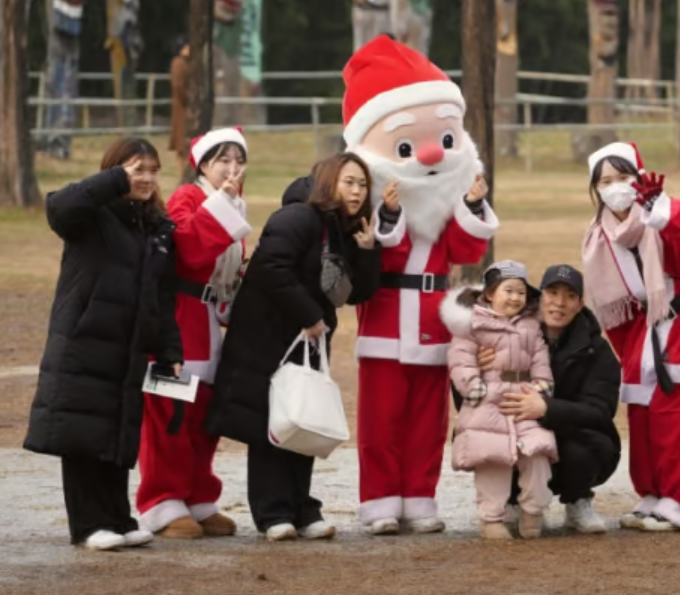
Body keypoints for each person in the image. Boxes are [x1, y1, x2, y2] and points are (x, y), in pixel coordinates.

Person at [337, 35, 499, 534]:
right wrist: (387, 210)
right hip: (385, 309)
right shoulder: (365, 191)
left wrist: (470, 205)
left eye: (445, 140)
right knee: (381, 417)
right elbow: (375, 246)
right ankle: (380, 500)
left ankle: (419, 497)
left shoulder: (450, 193)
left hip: (434, 314)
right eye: (407, 144)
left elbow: (467, 250)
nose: (430, 151)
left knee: (428, 419)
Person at [206, 153, 382, 541]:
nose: (357, 190)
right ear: (327, 182)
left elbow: (358, 294)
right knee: (272, 423)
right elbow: (271, 268)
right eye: (349, 182)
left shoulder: (345, 228)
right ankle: (273, 513)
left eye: (362, 184)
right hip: (266, 338)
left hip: (308, 340)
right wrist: (308, 314)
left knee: (305, 421)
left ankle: (303, 508)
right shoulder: (297, 217)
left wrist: (368, 250)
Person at [24, 138, 183, 551]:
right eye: (136, 169)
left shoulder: (157, 228)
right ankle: (88, 525)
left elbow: (162, 298)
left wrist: (170, 351)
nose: (146, 178)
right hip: (84, 343)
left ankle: (118, 517)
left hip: (129, 348)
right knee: (82, 434)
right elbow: (59, 206)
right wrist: (113, 180)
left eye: (152, 170)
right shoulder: (90, 215)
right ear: (114, 171)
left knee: (118, 432)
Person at [581, 141, 680, 532]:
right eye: (606, 180)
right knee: (644, 417)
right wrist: (630, 351)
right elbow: (614, 307)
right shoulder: (600, 236)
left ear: (639, 179)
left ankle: (679, 501)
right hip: (643, 334)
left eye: (624, 177)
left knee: (678, 417)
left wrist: (660, 207)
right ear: (595, 189)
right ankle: (651, 494)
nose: (616, 187)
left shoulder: (661, 218)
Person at [137, 128, 253, 539]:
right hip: (177, 319)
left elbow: (229, 274)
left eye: (239, 161)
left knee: (204, 415)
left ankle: (199, 496)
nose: (232, 169)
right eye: (223, 160)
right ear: (203, 164)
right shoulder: (188, 197)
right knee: (170, 414)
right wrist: (222, 205)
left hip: (208, 322)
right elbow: (187, 249)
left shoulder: (235, 205)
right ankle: (161, 501)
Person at [481, 264, 622, 535]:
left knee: (595, 445)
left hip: (568, 437)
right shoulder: (505, 332)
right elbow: (467, 393)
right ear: (539, 297)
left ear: (580, 304)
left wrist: (547, 409)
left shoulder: (597, 349)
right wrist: (478, 368)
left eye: (570, 296)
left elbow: (600, 411)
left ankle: (577, 499)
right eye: (552, 292)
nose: (559, 303)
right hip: (516, 430)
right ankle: (511, 501)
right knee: (484, 434)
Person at [442, 261, 557, 540]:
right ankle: (491, 518)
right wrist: (473, 386)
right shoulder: (472, 324)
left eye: (520, 292)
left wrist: (543, 385)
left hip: (524, 395)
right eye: (508, 290)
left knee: (537, 451)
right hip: (488, 397)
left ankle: (533, 511)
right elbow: (460, 358)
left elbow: (540, 358)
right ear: (490, 293)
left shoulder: (531, 325)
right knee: (491, 458)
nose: (515, 297)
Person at [169, 37, 191, 174]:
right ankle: (183, 171)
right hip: (182, 107)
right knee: (181, 143)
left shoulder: (189, 63)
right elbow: (178, 85)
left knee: (188, 142)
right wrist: (189, 99)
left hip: (188, 107)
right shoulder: (178, 63)